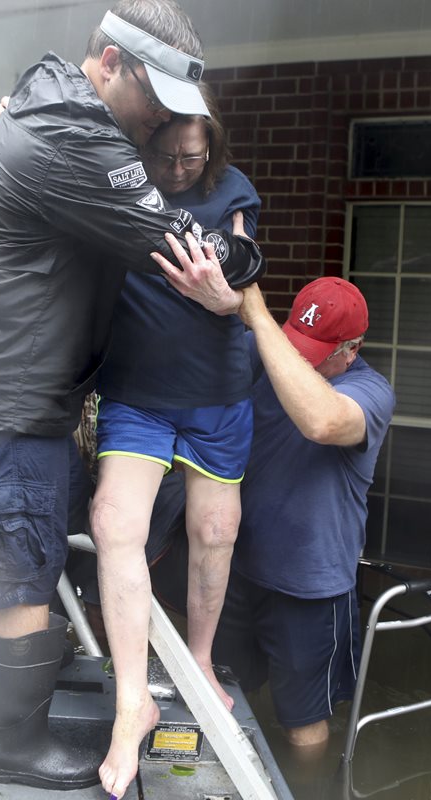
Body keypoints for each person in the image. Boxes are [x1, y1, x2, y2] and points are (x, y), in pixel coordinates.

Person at [0, 1, 262, 793]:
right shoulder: (75, 136)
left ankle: (6, 673)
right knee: (21, 558)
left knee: (22, 543)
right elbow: (176, 241)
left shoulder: (57, 106)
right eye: (154, 93)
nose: (164, 117)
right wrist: (241, 249)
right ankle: (12, 745)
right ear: (108, 64)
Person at [146, 264, 396, 753]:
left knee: (302, 725)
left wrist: (257, 318)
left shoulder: (371, 392)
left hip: (310, 586)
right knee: (223, 693)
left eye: (316, 354)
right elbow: (192, 361)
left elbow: (321, 422)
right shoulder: (265, 354)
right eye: (295, 343)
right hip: (237, 572)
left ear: (352, 351)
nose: (298, 359)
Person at [88, 89, 261, 797]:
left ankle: (198, 659)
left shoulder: (232, 188)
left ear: (211, 148)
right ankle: (134, 703)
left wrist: (225, 283)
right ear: (148, 143)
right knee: (114, 523)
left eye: (193, 156)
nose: (180, 168)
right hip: (137, 392)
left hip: (219, 392)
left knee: (215, 529)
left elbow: (246, 256)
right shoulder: (116, 180)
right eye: (167, 155)